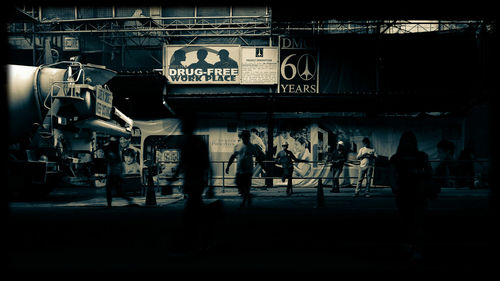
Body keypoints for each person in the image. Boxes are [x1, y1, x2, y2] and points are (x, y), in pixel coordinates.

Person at [389, 131, 433, 261]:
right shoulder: (420, 156)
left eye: (410, 141)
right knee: (412, 220)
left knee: (411, 220)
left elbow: (391, 174)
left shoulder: (397, 157)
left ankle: (410, 247)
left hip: (411, 191)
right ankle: (414, 248)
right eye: (407, 141)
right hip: (411, 191)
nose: (408, 144)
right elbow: (429, 172)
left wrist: (395, 188)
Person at [226, 130, 265, 207]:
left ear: (248, 137)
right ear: (242, 137)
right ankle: (248, 196)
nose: (245, 138)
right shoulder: (238, 145)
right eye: (244, 136)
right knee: (238, 183)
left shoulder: (252, 146)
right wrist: (228, 166)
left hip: (248, 170)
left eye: (247, 136)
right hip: (240, 169)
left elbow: (258, 157)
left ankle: (244, 201)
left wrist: (263, 166)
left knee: (246, 186)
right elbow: (233, 156)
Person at [103, 137, 135, 208]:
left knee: (112, 190)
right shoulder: (115, 154)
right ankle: (129, 200)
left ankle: (110, 205)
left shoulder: (112, 154)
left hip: (113, 175)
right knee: (117, 191)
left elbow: (109, 159)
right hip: (115, 174)